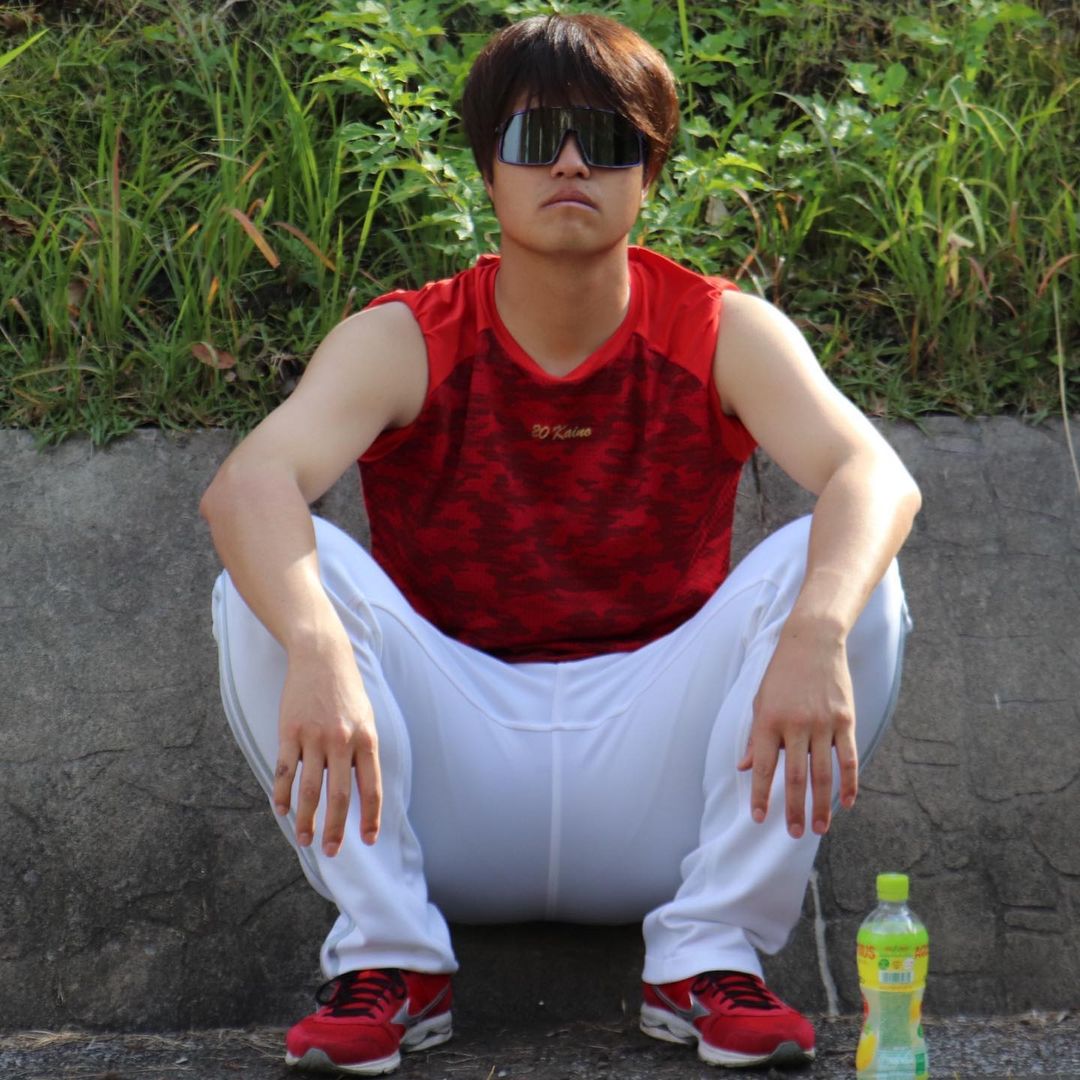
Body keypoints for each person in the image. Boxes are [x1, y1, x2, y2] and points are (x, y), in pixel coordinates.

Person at [201, 13, 920, 1076]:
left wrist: (816, 632)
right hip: (447, 781)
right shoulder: (408, 339)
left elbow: (876, 474)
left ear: (649, 175)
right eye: (538, 139)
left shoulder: (717, 329)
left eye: (609, 141)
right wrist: (315, 648)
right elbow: (248, 484)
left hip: (660, 779)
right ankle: (391, 956)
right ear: (488, 169)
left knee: (852, 568)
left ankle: (710, 952)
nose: (574, 164)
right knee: (272, 578)